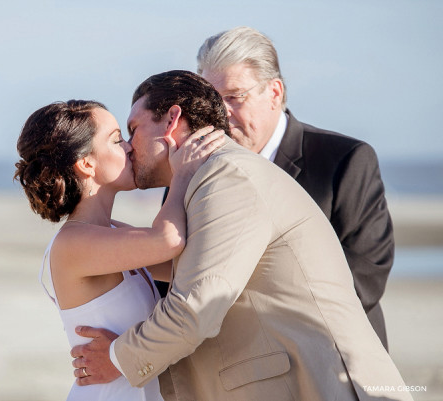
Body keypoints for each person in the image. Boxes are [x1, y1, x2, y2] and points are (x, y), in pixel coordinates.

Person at [70, 70, 411, 400]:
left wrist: (116, 358)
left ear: (172, 119)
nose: (129, 146)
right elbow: (172, 263)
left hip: (317, 386)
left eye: (134, 129)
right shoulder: (208, 180)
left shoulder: (227, 177)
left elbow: (194, 309)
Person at [192, 26, 394, 349]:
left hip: (334, 366)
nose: (221, 113)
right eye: (213, 101)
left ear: (274, 93)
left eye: (234, 97)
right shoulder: (193, 169)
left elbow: (365, 278)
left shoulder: (345, 161)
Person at [14, 99, 225, 401]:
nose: (129, 147)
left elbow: (186, 265)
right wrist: (183, 173)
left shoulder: (112, 233)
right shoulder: (70, 244)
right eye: (116, 140)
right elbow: (169, 240)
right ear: (86, 163)